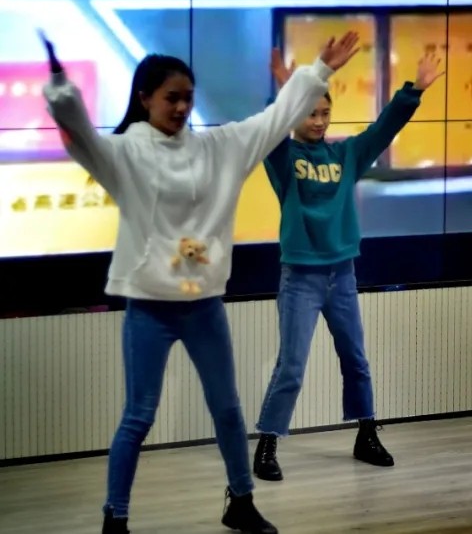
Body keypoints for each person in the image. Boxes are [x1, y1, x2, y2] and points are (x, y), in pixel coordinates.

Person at [41, 30, 360, 534]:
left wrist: (319, 71)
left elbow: (275, 120)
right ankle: (115, 516)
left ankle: (241, 501)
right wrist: (60, 85)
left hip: (203, 305)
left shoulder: (218, 148)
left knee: (228, 409)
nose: (182, 107)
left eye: (188, 97)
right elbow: (79, 132)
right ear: (145, 98)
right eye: (171, 97)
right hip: (149, 306)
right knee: (138, 416)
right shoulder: (124, 153)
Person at [252, 48, 444, 480]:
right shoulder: (283, 157)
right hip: (300, 278)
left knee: (356, 358)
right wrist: (285, 90)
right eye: (310, 113)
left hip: (341, 275)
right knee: (291, 365)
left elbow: (383, 128)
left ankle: (366, 433)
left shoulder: (346, 156)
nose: (319, 121)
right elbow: (269, 128)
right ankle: (267, 443)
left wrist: (415, 89)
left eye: (325, 113)